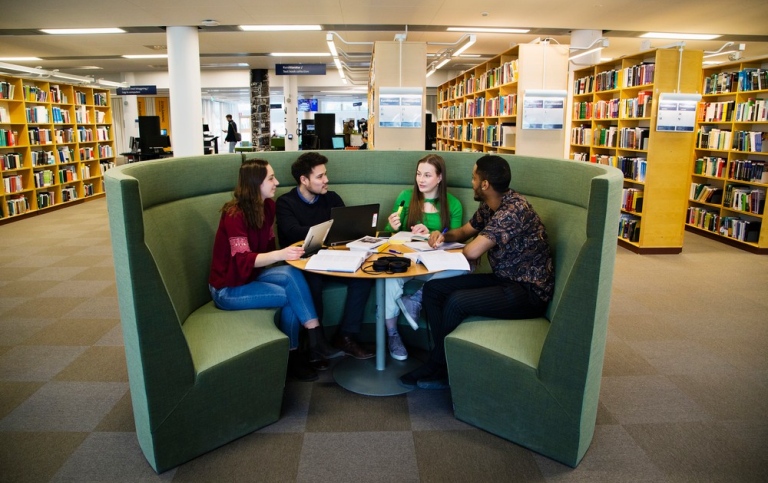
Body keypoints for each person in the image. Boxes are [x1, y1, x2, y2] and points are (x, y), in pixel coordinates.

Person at [399, 155, 555, 390]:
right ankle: (441, 361)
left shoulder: (512, 210)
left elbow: (472, 251)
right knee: (433, 289)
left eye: (474, 177)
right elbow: (463, 232)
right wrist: (441, 236)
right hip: (506, 279)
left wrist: (449, 247)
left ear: (485, 184)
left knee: (456, 302)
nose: (471, 182)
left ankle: (440, 366)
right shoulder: (491, 205)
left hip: (529, 291)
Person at [208, 159, 343, 382]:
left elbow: (267, 249)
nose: (277, 182)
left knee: (293, 274)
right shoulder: (234, 215)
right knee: (290, 296)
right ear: (254, 184)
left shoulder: (268, 207)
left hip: (253, 276)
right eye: (271, 178)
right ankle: (296, 355)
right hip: (228, 288)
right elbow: (243, 261)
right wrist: (282, 254)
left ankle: (315, 340)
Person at [275, 152, 375, 360]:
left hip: (331, 258)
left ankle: (345, 337)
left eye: (325, 175)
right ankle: (314, 345)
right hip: (303, 263)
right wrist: (328, 229)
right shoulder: (285, 203)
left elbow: (346, 228)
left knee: (364, 277)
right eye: (320, 177)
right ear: (304, 180)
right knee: (313, 281)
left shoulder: (331, 198)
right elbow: (292, 231)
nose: (326, 180)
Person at [382, 154, 463, 361]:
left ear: (440, 177)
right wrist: (392, 226)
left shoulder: (453, 204)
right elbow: (387, 235)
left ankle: (415, 299)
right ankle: (392, 334)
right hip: (407, 260)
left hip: (433, 265)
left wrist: (430, 234)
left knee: (462, 269)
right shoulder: (405, 196)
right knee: (389, 277)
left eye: (427, 175)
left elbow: (455, 240)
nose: (421, 180)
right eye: (419, 174)